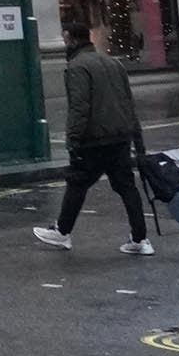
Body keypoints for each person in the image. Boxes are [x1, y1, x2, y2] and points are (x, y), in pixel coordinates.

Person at [31, 21, 153, 255]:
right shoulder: (113, 62)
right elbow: (128, 102)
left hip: (94, 138)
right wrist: (138, 142)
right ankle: (140, 239)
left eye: (65, 39)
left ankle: (62, 232)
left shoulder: (77, 66)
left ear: (71, 39)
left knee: (77, 182)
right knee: (127, 187)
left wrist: (72, 140)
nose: (65, 43)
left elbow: (79, 106)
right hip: (120, 136)